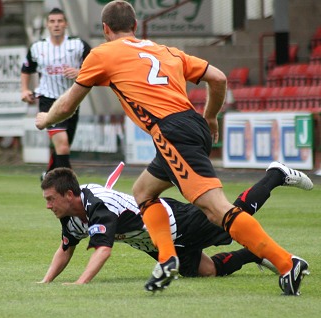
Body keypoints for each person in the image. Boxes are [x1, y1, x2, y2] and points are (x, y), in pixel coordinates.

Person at [35, 1, 311, 295]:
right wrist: (210, 117)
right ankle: (167, 260)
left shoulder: (102, 54)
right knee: (143, 192)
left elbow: (67, 104)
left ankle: (285, 263)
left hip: (171, 133)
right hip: (189, 126)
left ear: (105, 29)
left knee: (216, 210)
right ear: (135, 26)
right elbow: (218, 78)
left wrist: (46, 118)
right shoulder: (166, 51)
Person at [38, 162, 312, 286]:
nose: (48, 205)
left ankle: (276, 175)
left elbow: (103, 250)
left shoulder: (98, 205)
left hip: (176, 222)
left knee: (233, 216)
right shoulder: (71, 215)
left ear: (69, 195)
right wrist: (46, 281)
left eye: (51, 199)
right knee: (206, 272)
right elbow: (66, 248)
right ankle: (254, 252)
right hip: (159, 244)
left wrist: (80, 282)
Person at [21, 7, 91, 177]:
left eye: (60, 21)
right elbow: (26, 69)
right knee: (63, 146)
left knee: (62, 148)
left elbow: (94, 67)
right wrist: (24, 90)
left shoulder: (78, 45)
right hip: (48, 101)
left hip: (71, 100)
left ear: (66, 24)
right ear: (47, 25)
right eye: (52, 21)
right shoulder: (38, 47)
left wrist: (78, 72)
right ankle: (69, 187)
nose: (56, 25)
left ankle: (49, 176)